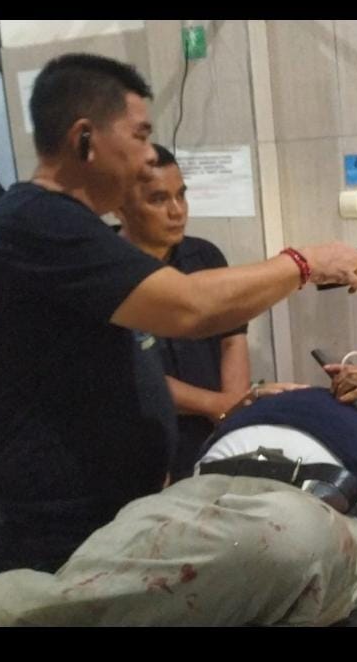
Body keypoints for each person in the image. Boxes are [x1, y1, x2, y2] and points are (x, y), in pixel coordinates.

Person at [0, 53, 357, 583]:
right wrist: (305, 262)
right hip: (53, 524)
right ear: (84, 138)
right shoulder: (32, 221)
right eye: (139, 136)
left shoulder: (78, 230)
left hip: (110, 506)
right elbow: (191, 307)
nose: (146, 158)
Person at [0, 364, 357, 625]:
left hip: (314, 507)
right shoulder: (294, 393)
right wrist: (251, 403)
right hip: (198, 492)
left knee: (283, 545)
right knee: (112, 560)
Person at [115, 143, 251, 481]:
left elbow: (233, 338)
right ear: (119, 207)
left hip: (212, 430)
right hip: (143, 434)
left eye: (181, 196)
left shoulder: (205, 256)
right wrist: (214, 405)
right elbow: (129, 372)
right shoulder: (106, 268)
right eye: (159, 199)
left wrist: (233, 408)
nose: (177, 211)